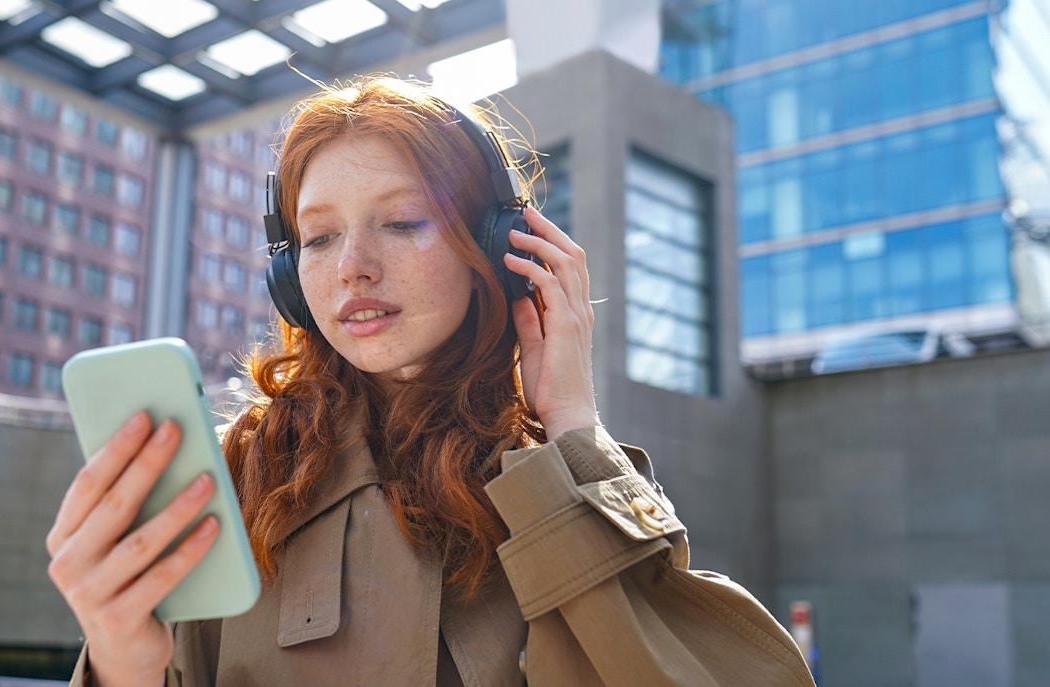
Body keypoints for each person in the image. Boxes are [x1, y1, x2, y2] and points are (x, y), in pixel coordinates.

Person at [46, 76, 815, 687]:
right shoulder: (237, 473)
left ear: (498, 246)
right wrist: (119, 663)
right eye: (319, 237)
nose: (353, 267)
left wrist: (575, 431)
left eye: (403, 221)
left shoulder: (550, 477)